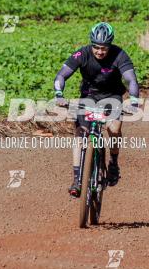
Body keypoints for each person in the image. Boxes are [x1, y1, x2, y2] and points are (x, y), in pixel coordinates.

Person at [53, 22, 140, 197]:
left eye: (104, 48)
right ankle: (77, 180)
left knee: (114, 129)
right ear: (91, 44)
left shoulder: (119, 54)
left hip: (112, 96)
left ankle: (113, 163)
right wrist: (59, 94)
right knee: (80, 134)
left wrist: (134, 101)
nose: (100, 51)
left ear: (110, 46)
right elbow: (61, 75)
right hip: (89, 97)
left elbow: (131, 80)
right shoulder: (82, 53)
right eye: (96, 47)